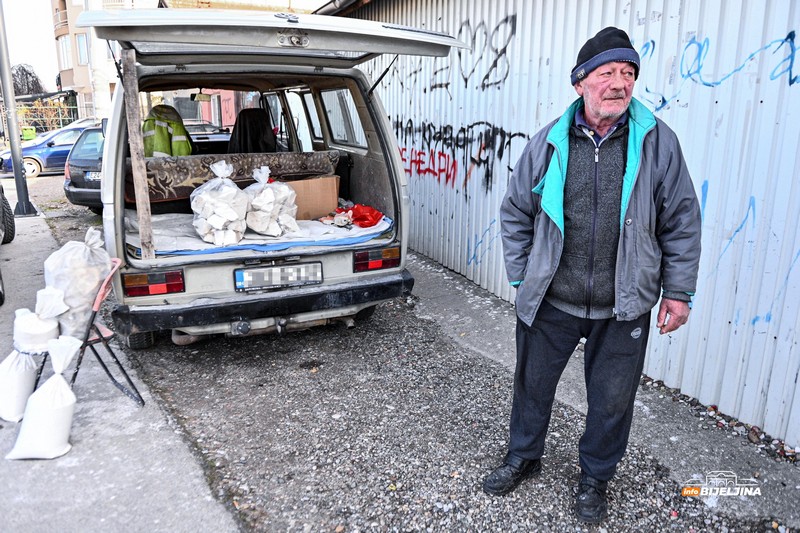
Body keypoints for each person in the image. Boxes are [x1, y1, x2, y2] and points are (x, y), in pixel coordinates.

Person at [485, 27, 702, 523]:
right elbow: (516, 211)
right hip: (552, 300)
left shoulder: (657, 142)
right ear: (580, 82)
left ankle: (594, 478)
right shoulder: (549, 143)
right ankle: (523, 456)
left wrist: (678, 291)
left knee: (611, 401)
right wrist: (522, 277)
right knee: (532, 386)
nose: (619, 84)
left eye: (628, 74)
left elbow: (682, 220)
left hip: (622, 302)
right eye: (607, 73)